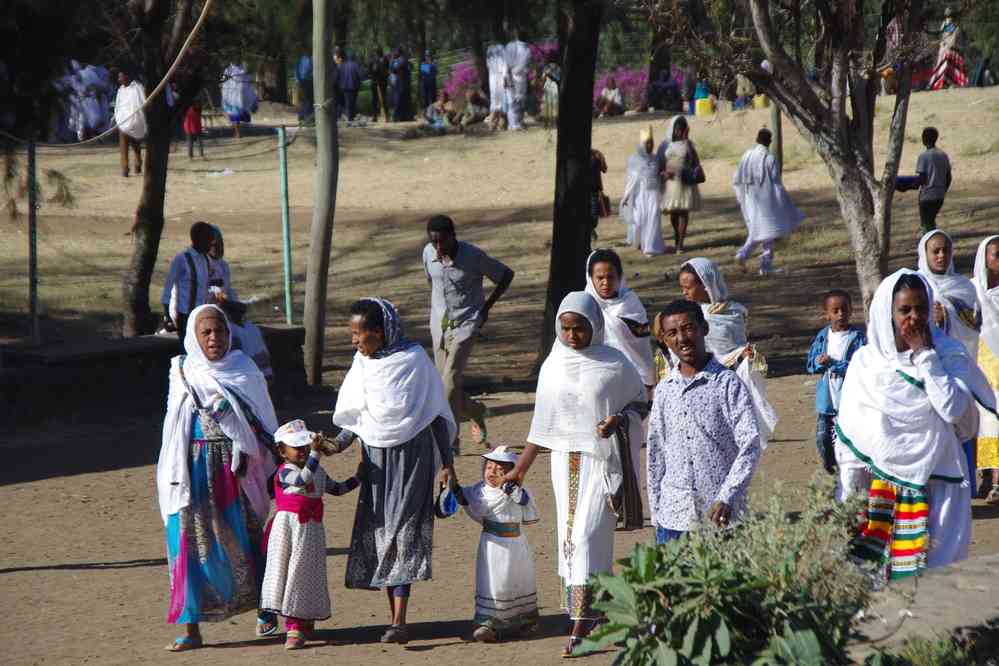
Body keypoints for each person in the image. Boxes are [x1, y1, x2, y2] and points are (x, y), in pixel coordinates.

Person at [501, 291, 647, 656]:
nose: (571, 336)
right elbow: (543, 424)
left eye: (579, 328)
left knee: (585, 538)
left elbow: (640, 403)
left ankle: (580, 626)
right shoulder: (553, 366)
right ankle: (597, 615)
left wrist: (619, 420)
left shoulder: (615, 364)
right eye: (565, 329)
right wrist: (520, 469)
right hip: (563, 464)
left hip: (603, 463)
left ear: (594, 325)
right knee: (569, 543)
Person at [838, 270, 994, 579]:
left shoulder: (947, 354)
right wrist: (849, 500)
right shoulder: (866, 365)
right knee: (877, 583)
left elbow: (953, 410)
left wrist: (924, 356)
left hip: (941, 484)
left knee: (939, 581)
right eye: (904, 310)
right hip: (880, 490)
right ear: (887, 312)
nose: (914, 317)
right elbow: (850, 444)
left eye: (921, 308)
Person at [329, 298, 457, 644]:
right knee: (383, 532)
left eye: (359, 334)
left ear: (379, 332)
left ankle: (400, 620)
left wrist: (447, 464)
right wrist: (335, 444)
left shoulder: (414, 361)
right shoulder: (362, 365)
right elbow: (358, 415)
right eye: (353, 334)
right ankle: (393, 617)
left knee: (403, 532)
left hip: (413, 459)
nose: (354, 341)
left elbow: (435, 416)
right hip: (375, 462)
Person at [157, 304, 280, 651]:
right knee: (187, 544)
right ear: (193, 338)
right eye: (206, 332)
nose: (215, 338)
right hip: (191, 468)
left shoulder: (245, 369)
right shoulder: (180, 370)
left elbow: (265, 422)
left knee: (247, 537)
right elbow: (173, 423)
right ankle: (191, 628)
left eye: (220, 331)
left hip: (236, 470)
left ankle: (266, 611)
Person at [647, 298, 762, 544]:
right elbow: (656, 454)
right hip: (674, 519)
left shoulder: (727, 384)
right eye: (672, 333)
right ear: (665, 340)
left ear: (704, 329)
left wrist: (727, 496)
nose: (682, 338)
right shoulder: (665, 389)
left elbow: (750, 444)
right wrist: (657, 514)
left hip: (721, 517)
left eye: (689, 328)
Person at [260, 420, 361, 650]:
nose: (303, 450)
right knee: (291, 572)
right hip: (289, 530)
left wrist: (358, 477)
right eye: (297, 447)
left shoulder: (317, 470)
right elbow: (301, 480)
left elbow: (337, 489)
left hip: (311, 530)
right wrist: (316, 453)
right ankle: (292, 627)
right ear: (282, 450)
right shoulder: (285, 471)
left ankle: (303, 618)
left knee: (307, 573)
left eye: (305, 446)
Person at [658, 258, 778, 447]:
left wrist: (743, 355)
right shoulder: (687, 317)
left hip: (727, 378)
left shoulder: (733, 312)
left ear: (706, 285)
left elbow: (734, 347)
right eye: (682, 287)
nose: (684, 292)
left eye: (688, 287)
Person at [423, 215, 514, 451]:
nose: (439, 247)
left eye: (443, 241)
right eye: (434, 242)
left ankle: (451, 443)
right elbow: (432, 284)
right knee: (443, 387)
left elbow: (506, 276)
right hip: (439, 326)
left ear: (454, 235)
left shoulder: (474, 256)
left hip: (466, 324)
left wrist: (485, 309)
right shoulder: (427, 254)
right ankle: (475, 409)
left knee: (450, 383)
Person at [451, 445, 540, 643]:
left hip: (515, 546)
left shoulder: (518, 492)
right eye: (489, 467)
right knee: (492, 582)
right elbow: (463, 497)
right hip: (490, 545)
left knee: (516, 581)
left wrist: (514, 492)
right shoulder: (479, 491)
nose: (492, 473)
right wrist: (451, 484)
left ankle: (524, 621)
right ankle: (488, 623)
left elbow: (528, 506)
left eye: (500, 470)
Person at [585, 249, 656, 489]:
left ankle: (628, 503)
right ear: (590, 278)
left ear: (620, 277)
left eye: (611, 277)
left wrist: (648, 384)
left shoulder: (630, 305)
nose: (605, 283)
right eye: (599, 278)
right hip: (593, 386)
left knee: (626, 444)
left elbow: (642, 350)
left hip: (629, 386)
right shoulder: (582, 306)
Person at [805, 290, 867, 478]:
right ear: (827, 314)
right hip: (827, 400)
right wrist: (818, 362)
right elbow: (810, 364)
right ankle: (831, 471)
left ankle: (849, 472)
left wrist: (834, 364)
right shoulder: (823, 337)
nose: (841, 314)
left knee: (849, 439)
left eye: (844, 309)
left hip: (850, 400)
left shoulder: (858, 338)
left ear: (851, 310)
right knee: (823, 437)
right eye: (835, 310)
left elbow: (860, 367)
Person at [733, 128, 805, 275]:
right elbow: (776, 182)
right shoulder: (770, 158)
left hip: (750, 201)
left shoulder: (747, 156)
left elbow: (737, 179)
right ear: (769, 141)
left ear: (757, 139)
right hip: (767, 202)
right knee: (764, 232)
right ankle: (745, 255)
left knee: (763, 232)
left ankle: (764, 264)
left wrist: (742, 197)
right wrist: (783, 201)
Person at [205, 226, 273, 379]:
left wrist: (237, 307)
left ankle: (261, 375)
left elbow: (227, 294)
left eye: (220, 244)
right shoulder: (200, 266)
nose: (217, 248)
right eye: (213, 245)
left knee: (251, 330)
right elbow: (208, 297)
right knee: (234, 334)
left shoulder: (223, 266)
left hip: (225, 314)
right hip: (208, 316)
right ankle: (240, 375)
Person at [917, 229, 979, 358]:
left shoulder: (964, 286)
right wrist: (930, 318)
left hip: (961, 356)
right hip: (926, 355)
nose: (942, 255)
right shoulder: (916, 285)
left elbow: (974, 327)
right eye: (936, 251)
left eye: (946, 250)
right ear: (924, 254)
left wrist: (947, 317)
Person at [973, 236, 999, 503]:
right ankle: (986, 478)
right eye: (997, 255)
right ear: (985, 260)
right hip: (982, 365)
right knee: (985, 424)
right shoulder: (972, 292)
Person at [161, 222, 214, 345]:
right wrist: (166, 315)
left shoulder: (206, 260)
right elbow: (168, 286)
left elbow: (203, 284)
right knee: (187, 348)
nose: (211, 243)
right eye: (208, 239)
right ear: (198, 239)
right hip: (185, 315)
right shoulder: (182, 259)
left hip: (201, 313)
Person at [657, 115, 702, 253]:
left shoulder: (688, 144)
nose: (679, 131)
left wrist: (687, 141)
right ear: (672, 129)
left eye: (682, 128)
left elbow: (695, 162)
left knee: (683, 212)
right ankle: (677, 236)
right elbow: (658, 164)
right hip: (670, 184)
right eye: (677, 128)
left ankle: (680, 244)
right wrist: (663, 173)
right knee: (673, 213)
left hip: (684, 182)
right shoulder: (665, 144)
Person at [620, 127, 665, 256]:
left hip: (653, 194)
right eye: (647, 143)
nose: (650, 146)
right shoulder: (634, 159)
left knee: (653, 218)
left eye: (652, 142)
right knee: (639, 219)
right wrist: (626, 196)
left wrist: (663, 175)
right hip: (640, 195)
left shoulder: (656, 158)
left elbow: (658, 174)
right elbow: (631, 180)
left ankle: (650, 247)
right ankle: (639, 241)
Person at [914, 127, 952, 233]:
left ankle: (929, 244)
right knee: (931, 221)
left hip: (927, 196)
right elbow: (948, 177)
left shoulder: (923, 156)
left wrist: (906, 185)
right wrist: (943, 191)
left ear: (923, 139)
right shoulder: (943, 155)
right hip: (939, 195)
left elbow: (922, 179)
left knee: (926, 224)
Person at [113, 70, 145, 177]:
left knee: (136, 145)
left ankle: (138, 164)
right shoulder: (120, 90)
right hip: (123, 122)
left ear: (126, 76)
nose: (119, 79)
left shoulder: (137, 88)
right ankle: (125, 169)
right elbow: (118, 106)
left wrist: (136, 118)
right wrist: (117, 117)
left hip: (134, 121)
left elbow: (141, 103)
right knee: (123, 146)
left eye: (120, 77)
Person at [929, 7, 968, 90]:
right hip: (950, 50)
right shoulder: (951, 25)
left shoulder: (948, 24)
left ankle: (944, 84)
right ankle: (948, 84)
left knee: (946, 68)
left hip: (948, 50)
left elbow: (948, 38)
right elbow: (949, 38)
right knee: (947, 68)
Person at [221, 63, 257, 138]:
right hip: (241, 94)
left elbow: (223, 81)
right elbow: (250, 80)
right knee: (238, 113)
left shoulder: (229, 70)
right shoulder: (242, 69)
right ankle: (237, 131)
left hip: (234, 96)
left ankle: (237, 132)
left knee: (235, 113)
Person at [505, 40, 531, 131]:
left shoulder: (514, 48)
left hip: (516, 78)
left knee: (516, 101)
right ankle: (515, 124)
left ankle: (516, 122)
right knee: (515, 102)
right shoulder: (522, 49)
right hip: (515, 79)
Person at [485, 43, 508, 129]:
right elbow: (504, 64)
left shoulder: (491, 49)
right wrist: (505, 77)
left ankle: (497, 123)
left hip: (495, 77)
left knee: (497, 101)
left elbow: (488, 65)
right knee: (498, 102)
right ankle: (495, 123)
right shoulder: (495, 48)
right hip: (497, 77)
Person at [337, 50, 362, 123]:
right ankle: (350, 118)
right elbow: (360, 75)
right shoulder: (356, 65)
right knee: (352, 103)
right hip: (354, 87)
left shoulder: (342, 65)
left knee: (347, 102)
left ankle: (349, 117)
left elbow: (339, 75)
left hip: (344, 87)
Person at [390, 49, 414, 122]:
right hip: (404, 83)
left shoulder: (401, 60)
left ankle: (397, 117)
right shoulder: (403, 60)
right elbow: (411, 67)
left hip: (401, 84)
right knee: (404, 101)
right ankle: (404, 117)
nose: (394, 53)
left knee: (398, 100)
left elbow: (393, 69)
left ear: (399, 53)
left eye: (395, 52)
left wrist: (392, 60)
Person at [590, 148, 608, 240]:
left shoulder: (596, 154)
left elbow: (604, 169)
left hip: (594, 190)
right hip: (580, 191)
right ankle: (590, 231)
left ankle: (591, 229)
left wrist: (600, 158)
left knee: (594, 215)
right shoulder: (576, 156)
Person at [368, 49, 390, 123]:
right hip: (379, 81)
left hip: (378, 81)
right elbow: (371, 70)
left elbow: (370, 71)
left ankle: (381, 116)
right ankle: (379, 117)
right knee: (379, 99)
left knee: (378, 99)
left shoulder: (374, 60)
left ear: (376, 53)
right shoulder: (384, 60)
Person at [541, 56, 560, 128]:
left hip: (553, 87)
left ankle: (552, 123)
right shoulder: (548, 68)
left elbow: (557, 78)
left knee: (552, 105)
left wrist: (549, 74)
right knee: (549, 105)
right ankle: (548, 123)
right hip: (550, 87)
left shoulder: (557, 68)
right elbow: (543, 78)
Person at [295, 52, 314, 123]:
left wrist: (297, 80)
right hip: (308, 81)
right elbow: (312, 71)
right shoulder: (310, 60)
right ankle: (307, 118)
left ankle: (301, 116)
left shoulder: (300, 59)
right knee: (309, 100)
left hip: (300, 81)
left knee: (303, 100)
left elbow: (296, 70)